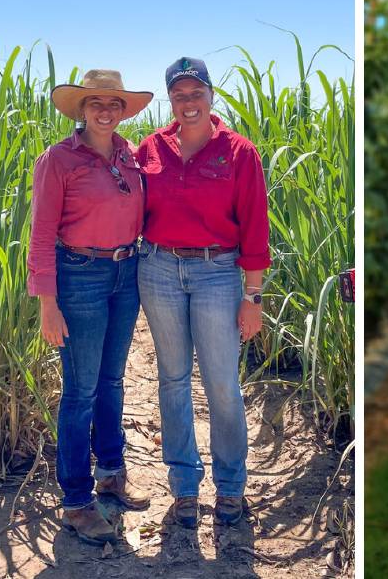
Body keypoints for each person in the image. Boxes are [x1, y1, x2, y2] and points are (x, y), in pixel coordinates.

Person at [134, 57, 271, 528]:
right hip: (158, 269)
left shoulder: (238, 152)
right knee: (172, 379)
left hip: (216, 273)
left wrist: (252, 297)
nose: (188, 103)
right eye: (179, 95)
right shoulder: (151, 148)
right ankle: (185, 486)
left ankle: (231, 486)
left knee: (221, 385)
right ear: (170, 100)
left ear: (211, 95)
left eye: (196, 93)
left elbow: (255, 227)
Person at [27, 69, 154, 545]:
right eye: (95, 102)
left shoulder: (128, 155)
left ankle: (112, 473)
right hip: (79, 275)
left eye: (114, 104)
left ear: (123, 112)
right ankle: (77, 501)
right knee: (80, 391)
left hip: (126, 274)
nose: (105, 110)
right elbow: (41, 236)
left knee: (112, 380)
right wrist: (48, 305)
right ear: (80, 109)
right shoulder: (58, 161)